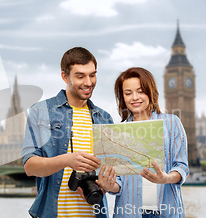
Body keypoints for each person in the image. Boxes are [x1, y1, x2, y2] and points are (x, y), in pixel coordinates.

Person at [22, 47, 117, 218]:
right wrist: (67, 160)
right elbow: (29, 166)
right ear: (65, 77)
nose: (88, 82)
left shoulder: (105, 118)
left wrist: (104, 186)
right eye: (80, 76)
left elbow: (114, 174)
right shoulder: (40, 111)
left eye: (92, 75)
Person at [110, 67, 189, 218]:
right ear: (122, 98)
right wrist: (108, 185)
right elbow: (118, 183)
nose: (135, 97)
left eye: (140, 91)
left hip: (165, 212)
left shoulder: (172, 123)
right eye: (128, 93)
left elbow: (182, 167)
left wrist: (165, 178)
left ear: (150, 92)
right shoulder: (118, 131)